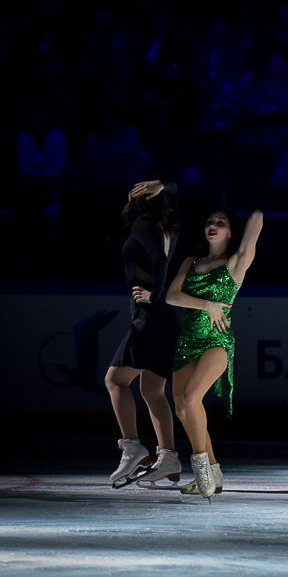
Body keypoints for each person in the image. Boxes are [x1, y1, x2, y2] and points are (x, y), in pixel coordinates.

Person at [166, 207, 264, 500]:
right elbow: (171, 296)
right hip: (188, 340)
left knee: (194, 397)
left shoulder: (235, 264)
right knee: (182, 408)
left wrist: (252, 210)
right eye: (209, 222)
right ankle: (214, 470)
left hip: (217, 341)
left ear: (231, 231)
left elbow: (256, 222)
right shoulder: (191, 262)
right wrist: (206, 305)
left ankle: (201, 471)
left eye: (220, 223)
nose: (213, 226)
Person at [107, 180, 182, 489]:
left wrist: (155, 294)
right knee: (151, 389)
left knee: (115, 380)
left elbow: (161, 261)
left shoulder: (143, 223)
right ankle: (168, 458)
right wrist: (165, 184)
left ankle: (132, 445)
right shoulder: (170, 225)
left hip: (150, 317)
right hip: (163, 318)